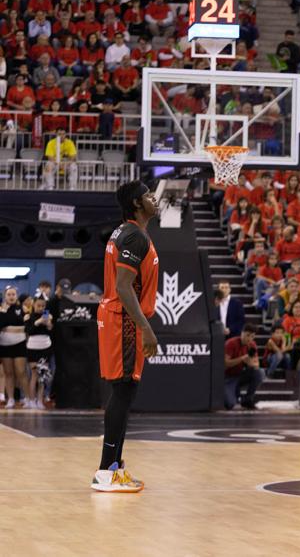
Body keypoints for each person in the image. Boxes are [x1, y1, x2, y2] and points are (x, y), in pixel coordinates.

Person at [92, 181, 160, 492]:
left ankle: (115, 467)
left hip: (122, 318)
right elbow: (123, 287)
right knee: (122, 392)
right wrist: (145, 327)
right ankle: (106, 471)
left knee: (125, 391)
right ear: (136, 203)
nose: (153, 199)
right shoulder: (134, 234)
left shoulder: (126, 232)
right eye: (148, 195)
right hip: (124, 321)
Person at [224, 324, 265, 409]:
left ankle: (247, 399)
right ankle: (232, 392)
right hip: (228, 377)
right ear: (241, 333)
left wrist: (251, 364)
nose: (249, 339)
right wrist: (241, 359)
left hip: (240, 375)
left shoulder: (252, 345)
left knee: (260, 372)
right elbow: (225, 363)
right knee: (229, 404)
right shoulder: (231, 343)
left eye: (252, 336)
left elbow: (257, 364)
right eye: (247, 335)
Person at [0, 286, 29, 409]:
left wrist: (13, 329)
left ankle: (28, 398)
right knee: (8, 373)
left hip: (20, 344)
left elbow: (25, 326)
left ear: (16, 296)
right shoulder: (1, 310)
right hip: (5, 345)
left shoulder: (22, 309)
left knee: (21, 372)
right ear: (5, 296)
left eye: (13, 294)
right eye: (9, 294)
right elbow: (1, 326)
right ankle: (10, 399)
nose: (11, 296)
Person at [25, 295, 54, 409]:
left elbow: (51, 330)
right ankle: (32, 400)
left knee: (43, 376)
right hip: (33, 347)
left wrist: (48, 324)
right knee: (34, 375)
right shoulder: (29, 316)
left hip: (45, 347)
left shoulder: (48, 316)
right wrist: (38, 322)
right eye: (38, 305)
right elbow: (29, 331)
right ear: (34, 305)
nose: (41, 308)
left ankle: (40, 400)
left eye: (43, 306)